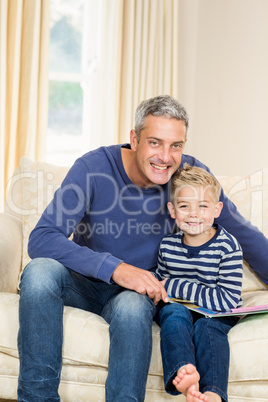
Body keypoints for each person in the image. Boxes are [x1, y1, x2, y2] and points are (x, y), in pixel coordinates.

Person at [17, 95, 268, 402]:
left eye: (176, 145)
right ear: (134, 139)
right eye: (155, 142)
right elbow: (42, 238)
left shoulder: (189, 176)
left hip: (137, 295)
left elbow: (241, 232)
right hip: (83, 283)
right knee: (39, 273)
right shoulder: (93, 168)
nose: (166, 156)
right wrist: (116, 268)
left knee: (133, 309)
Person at [154, 165, 243, 402]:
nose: (194, 214)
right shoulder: (167, 246)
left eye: (203, 206)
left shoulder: (228, 246)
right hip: (181, 309)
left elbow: (227, 300)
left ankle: (213, 392)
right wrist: (164, 290)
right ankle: (185, 372)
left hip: (216, 314)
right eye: (185, 206)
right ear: (172, 210)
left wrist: (174, 286)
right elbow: (162, 294)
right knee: (172, 313)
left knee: (206, 328)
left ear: (217, 209)